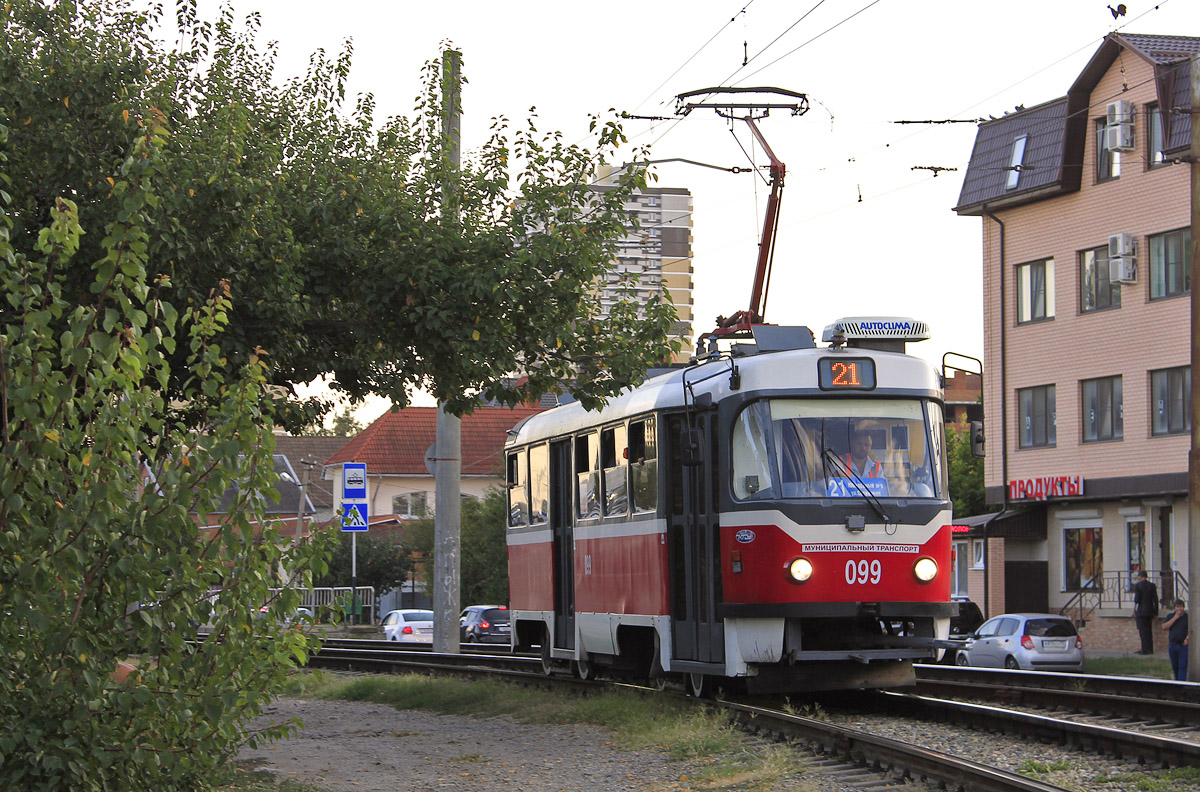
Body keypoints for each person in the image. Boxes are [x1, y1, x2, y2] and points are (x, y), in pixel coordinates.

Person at [1131, 571, 1159, 655]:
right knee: (1148, 630)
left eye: (1138, 577)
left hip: (1141, 611)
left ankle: (1144, 649)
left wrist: (1134, 611)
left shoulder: (1138, 585)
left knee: (1142, 631)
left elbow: (1137, 600)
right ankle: (1150, 649)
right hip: (1150, 610)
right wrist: (1156, 612)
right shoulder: (1152, 585)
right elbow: (1156, 600)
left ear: (1140, 576)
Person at [1162, 599, 1189, 681]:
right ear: (1175, 608)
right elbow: (1164, 627)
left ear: (1183, 607)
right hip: (1173, 645)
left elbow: (1191, 630)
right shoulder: (1170, 616)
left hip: (1183, 646)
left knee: (1182, 665)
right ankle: (1176, 682)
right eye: (1177, 607)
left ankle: (1182, 683)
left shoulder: (1187, 617)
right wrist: (1175, 618)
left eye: (1181, 607)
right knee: (1175, 665)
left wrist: (1187, 638)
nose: (1179, 609)